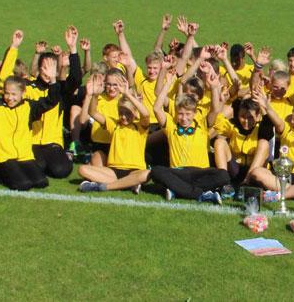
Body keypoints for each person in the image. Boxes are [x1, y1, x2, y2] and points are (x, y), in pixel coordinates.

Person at [0, 27, 81, 179]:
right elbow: (5, 77)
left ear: (57, 70)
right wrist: (14, 47)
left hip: (53, 143)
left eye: (52, 68)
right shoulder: (28, 87)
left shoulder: (60, 89)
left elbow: (76, 79)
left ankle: (62, 157)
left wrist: (73, 48)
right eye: (44, 67)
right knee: (38, 166)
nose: (47, 72)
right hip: (31, 142)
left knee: (61, 170)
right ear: (39, 68)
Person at [0, 50, 60, 191]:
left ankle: (15, 172)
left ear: (23, 93)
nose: (10, 98)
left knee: (41, 182)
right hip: (3, 159)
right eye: (7, 93)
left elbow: (51, 101)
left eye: (14, 94)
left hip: (24, 156)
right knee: (23, 184)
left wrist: (53, 80)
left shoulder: (29, 107)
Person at [149, 59, 229, 203]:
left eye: (187, 114)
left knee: (223, 175)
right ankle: (201, 194)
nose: (184, 118)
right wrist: (168, 82)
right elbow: (156, 108)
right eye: (180, 114)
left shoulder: (202, 123)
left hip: (201, 172)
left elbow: (215, 109)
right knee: (156, 171)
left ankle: (177, 190)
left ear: (194, 113)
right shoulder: (171, 125)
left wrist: (214, 87)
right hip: (179, 171)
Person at [77, 74, 152, 193]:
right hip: (113, 171)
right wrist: (95, 95)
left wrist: (128, 95)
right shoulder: (114, 125)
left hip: (135, 170)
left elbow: (146, 114)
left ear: (135, 112)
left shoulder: (140, 127)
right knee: (82, 169)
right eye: (121, 113)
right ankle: (128, 184)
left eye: (127, 113)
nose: (124, 116)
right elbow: (93, 113)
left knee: (147, 174)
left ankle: (104, 186)